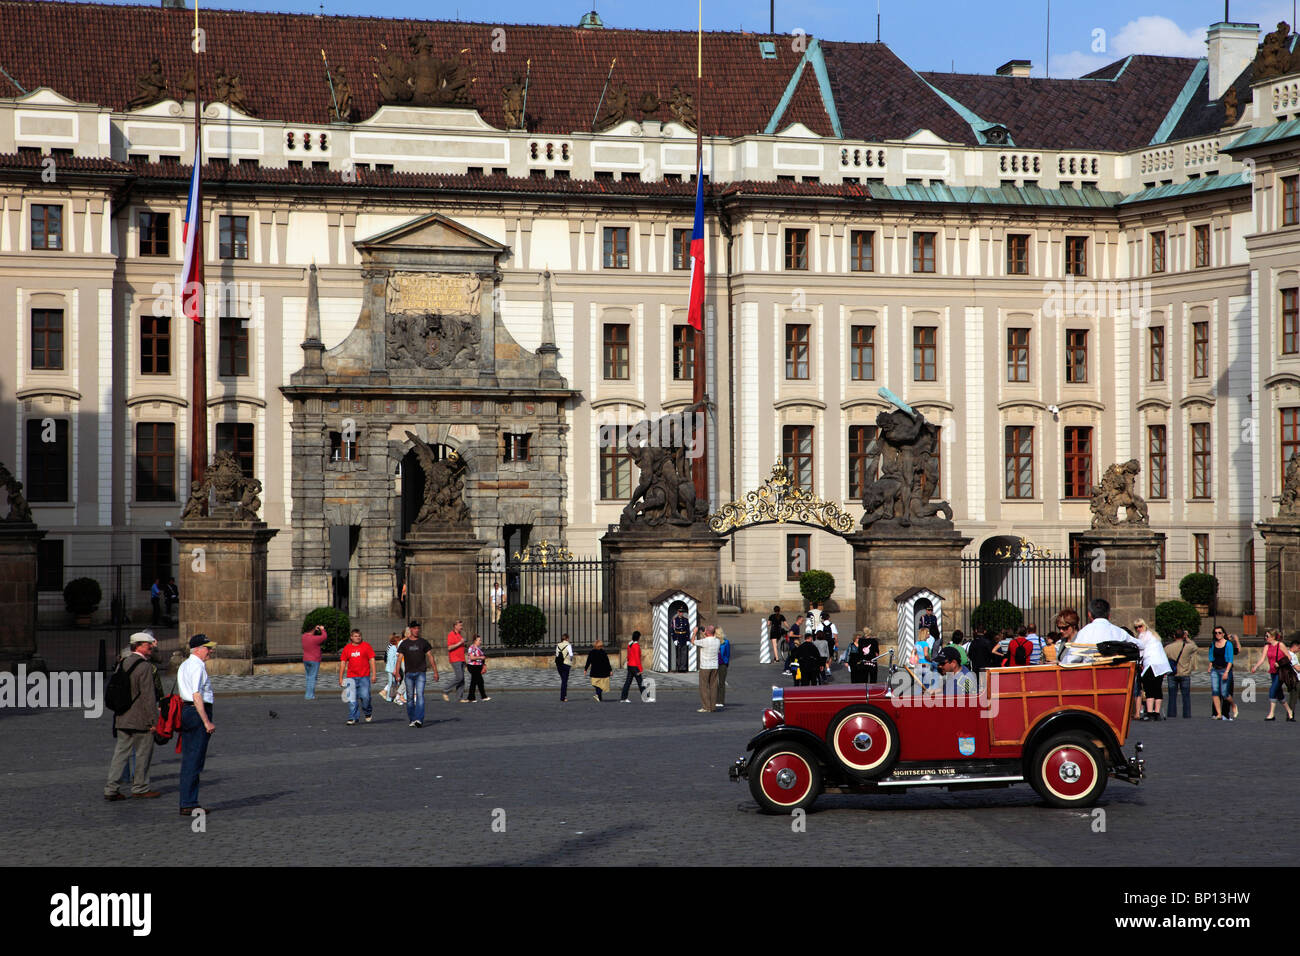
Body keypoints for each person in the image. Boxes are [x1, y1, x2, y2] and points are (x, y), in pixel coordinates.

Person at [103, 632, 161, 801]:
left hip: (122, 716)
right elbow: (148, 697)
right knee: (143, 754)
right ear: (140, 646)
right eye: (149, 645)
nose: (151, 647)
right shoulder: (144, 667)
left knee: (120, 755)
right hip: (140, 719)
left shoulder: (123, 663)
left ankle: (111, 788)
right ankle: (140, 787)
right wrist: (153, 721)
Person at [177, 634, 216, 816]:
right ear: (198, 649)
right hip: (197, 712)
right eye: (208, 648)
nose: (210, 651)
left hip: (187, 711)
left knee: (189, 757)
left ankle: (188, 800)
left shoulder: (184, 664)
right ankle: (189, 802)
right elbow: (196, 695)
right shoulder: (197, 667)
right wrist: (206, 721)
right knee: (195, 759)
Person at [396, 622, 439, 728]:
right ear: (410, 629)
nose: (416, 630)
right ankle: (412, 719)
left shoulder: (423, 642)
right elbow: (399, 659)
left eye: (418, 628)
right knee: (410, 697)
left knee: (420, 695)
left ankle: (419, 719)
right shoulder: (404, 644)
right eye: (414, 628)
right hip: (409, 673)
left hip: (421, 672)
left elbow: (430, 656)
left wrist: (435, 671)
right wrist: (397, 673)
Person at [1250, 628, 1296, 721]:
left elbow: (1289, 657)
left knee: (1272, 690)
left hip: (1281, 672)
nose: (1265, 637)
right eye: (1265, 636)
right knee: (1279, 694)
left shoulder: (1280, 645)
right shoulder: (1267, 646)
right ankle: (1290, 711)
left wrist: (1279, 663)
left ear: (1273, 637)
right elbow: (1262, 659)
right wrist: (1256, 666)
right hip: (1272, 672)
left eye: (1267, 636)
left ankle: (1271, 714)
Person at [338, 628, 376, 725]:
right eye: (355, 636)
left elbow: (372, 660)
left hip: (364, 676)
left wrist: (374, 674)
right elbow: (343, 663)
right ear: (351, 637)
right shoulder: (347, 648)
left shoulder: (366, 646)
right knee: (351, 699)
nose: (358, 637)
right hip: (351, 677)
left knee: (365, 697)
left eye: (359, 636)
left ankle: (367, 712)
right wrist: (341, 678)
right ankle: (353, 717)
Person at [1134, 619, 1170, 720]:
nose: (1138, 629)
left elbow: (1140, 652)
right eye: (1136, 627)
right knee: (1157, 688)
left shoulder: (1143, 636)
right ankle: (1157, 713)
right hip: (1161, 665)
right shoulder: (1154, 636)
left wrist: (1138, 662)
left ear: (1144, 625)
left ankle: (1150, 713)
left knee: (1149, 689)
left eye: (1140, 626)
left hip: (1150, 665)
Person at [1162, 627, 1198, 718]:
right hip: (1184, 673)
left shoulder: (1168, 647)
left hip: (1172, 674)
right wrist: (1188, 638)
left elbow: (1163, 658)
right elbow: (1195, 647)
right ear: (1183, 636)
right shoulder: (1188, 647)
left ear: (1174, 636)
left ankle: (1172, 714)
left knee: (1172, 696)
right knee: (1186, 696)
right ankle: (1186, 714)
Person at [1074, 598, 1138, 646]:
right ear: (1109, 615)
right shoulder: (1119, 632)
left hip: (1088, 663)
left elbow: (1072, 658)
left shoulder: (1084, 632)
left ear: (1089, 615)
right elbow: (1140, 645)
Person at [1208, 627, 1234, 720]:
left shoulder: (1228, 644)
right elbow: (1211, 656)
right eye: (1215, 633)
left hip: (1224, 669)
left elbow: (1230, 659)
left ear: (1223, 634)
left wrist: (1226, 672)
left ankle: (1233, 705)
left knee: (1224, 693)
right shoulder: (1213, 644)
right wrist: (1210, 667)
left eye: (1219, 632)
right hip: (1215, 669)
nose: (1217, 634)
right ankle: (1219, 714)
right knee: (1215, 692)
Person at [693, 625, 721, 711]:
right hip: (715, 666)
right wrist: (705, 633)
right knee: (713, 686)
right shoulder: (717, 641)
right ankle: (713, 707)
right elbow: (709, 639)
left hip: (705, 666)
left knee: (704, 687)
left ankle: (706, 707)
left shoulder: (704, 641)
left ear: (707, 632)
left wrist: (694, 633)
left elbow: (693, 641)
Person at [443, 619, 468, 702]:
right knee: (459, 677)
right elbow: (449, 647)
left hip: (461, 659)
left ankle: (459, 697)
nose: (462, 627)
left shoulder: (460, 635)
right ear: (455, 626)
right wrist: (460, 643)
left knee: (462, 679)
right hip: (455, 659)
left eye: (462, 625)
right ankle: (446, 690)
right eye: (460, 625)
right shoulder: (451, 635)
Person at [301, 624, 327, 700]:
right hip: (314, 660)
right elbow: (324, 636)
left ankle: (308, 694)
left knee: (308, 677)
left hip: (306, 659)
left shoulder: (304, 637)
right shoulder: (315, 639)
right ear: (313, 630)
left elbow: (308, 633)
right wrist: (322, 629)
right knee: (312, 678)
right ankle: (309, 695)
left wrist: (314, 629)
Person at [620, 630, 646, 702]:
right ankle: (646, 698)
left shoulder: (630, 645)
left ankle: (623, 698)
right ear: (638, 638)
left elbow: (628, 656)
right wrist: (640, 669)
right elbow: (637, 659)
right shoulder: (636, 646)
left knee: (627, 683)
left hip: (630, 666)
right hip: (635, 667)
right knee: (640, 682)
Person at [465, 634, 490, 702]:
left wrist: (483, 665)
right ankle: (482, 697)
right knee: (478, 681)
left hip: (478, 666)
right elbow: (472, 657)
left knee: (477, 682)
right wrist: (480, 657)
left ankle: (472, 697)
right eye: (479, 640)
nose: (480, 642)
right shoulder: (472, 648)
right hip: (473, 666)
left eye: (480, 640)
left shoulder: (478, 648)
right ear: (475, 641)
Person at [379, 632, 402, 702]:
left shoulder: (394, 648)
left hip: (392, 668)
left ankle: (393, 696)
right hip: (391, 669)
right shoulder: (393, 648)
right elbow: (392, 660)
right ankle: (389, 697)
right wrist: (394, 670)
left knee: (393, 683)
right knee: (391, 683)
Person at [671, 608, 691, 672]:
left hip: (684, 638)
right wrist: (674, 639)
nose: (681, 613)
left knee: (684, 654)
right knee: (678, 654)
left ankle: (683, 668)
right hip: (678, 637)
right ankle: (679, 667)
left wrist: (688, 639)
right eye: (680, 612)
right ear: (678, 612)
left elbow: (687, 630)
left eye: (682, 612)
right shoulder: (674, 620)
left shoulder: (685, 620)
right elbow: (672, 630)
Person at [556, 632, 574, 702]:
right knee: (564, 681)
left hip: (559, 664)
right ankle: (563, 697)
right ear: (567, 638)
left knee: (563, 680)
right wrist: (570, 659)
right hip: (566, 664)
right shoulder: (568, 645)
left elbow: (557, 654)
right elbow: (571, 654)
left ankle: (564, 696)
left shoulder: (558, 645)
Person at [716, 627, 731, 709]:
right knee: (714, 683)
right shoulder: (713, 641)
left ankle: (721, 701)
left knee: (721, 683)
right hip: (714, 664)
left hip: (722, 664)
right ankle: (715, 700)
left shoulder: (726, 642)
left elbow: (728, 653)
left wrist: (726, 663)